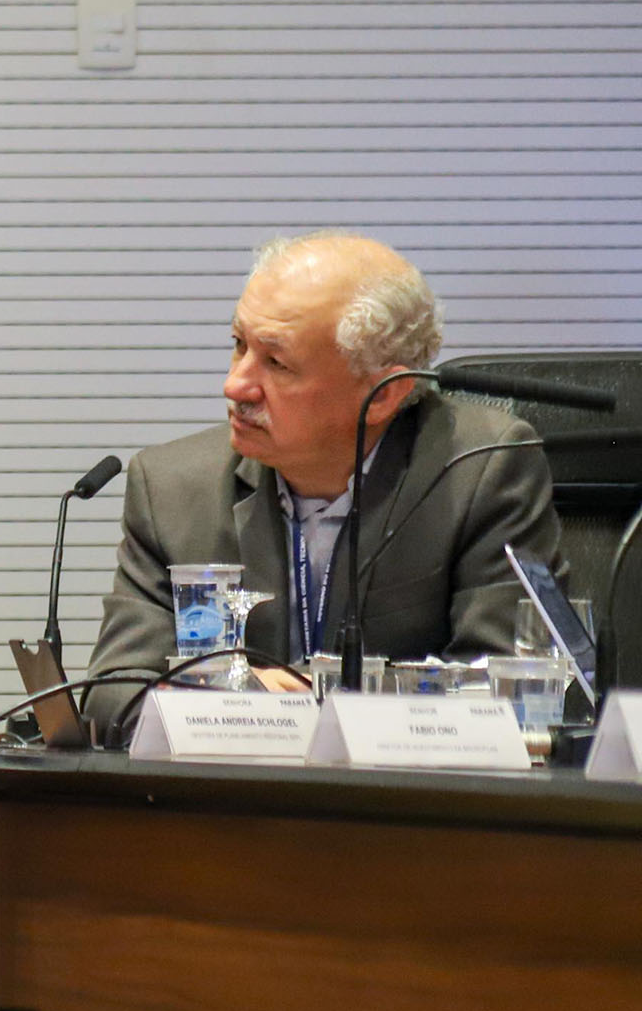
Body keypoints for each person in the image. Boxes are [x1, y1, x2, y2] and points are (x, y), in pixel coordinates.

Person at [83, 232, 554, 743]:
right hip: (233, 789)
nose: (235, 385)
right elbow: (113, 697)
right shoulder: (172, 488)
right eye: (239, 345)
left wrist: (306, 703)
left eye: (277, 363)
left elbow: (511, 691)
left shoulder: (479, 472)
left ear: (384, 394)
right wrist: (244, 702)